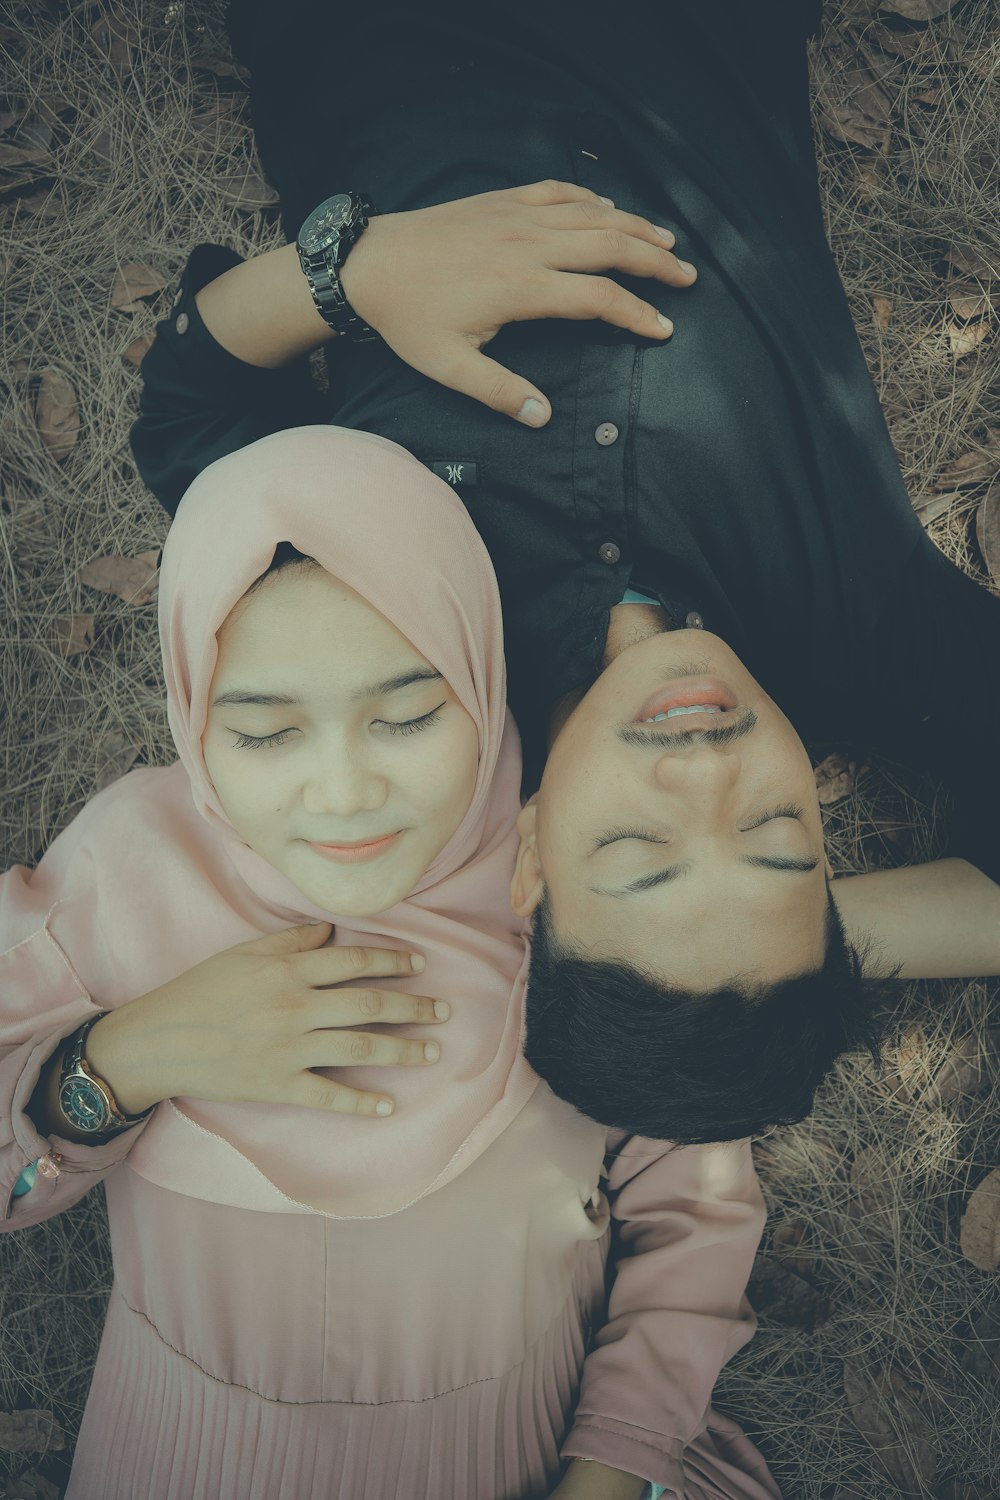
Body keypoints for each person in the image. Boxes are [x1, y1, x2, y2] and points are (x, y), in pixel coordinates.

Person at [131, 0, 1000, 1147]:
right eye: (779, 838)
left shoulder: (394, 633)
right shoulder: (868, 637)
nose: (707, 774)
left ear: (530, 855)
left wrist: (355, 276)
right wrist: (805, 937)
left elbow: (188, 414)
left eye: (638, 849)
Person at [1, 425, 777, 1500]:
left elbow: (697, 1202)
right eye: (268, 734)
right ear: (192, 718)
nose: (344, 791)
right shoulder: (126, 868)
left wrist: (605, 1475)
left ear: (480, 671)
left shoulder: (571, 877)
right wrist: (133, 1055)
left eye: (407, 713)